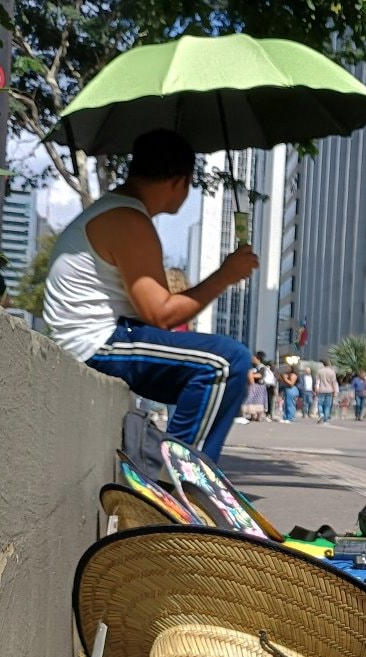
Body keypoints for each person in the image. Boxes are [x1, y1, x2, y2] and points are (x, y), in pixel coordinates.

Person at [43, 129, 258, 461]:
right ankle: (184, 480)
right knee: (226, 363)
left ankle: (179, 471)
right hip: (98, 343)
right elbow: (160, 314)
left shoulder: (119, 213)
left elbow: (152, 312)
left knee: (212, 369)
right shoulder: (128, 221)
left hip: (101, 338)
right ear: (180, 181)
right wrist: (225, 276)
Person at [241, 355, 267, 421]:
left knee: (259, 401)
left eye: (254, 358)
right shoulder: (254, 367)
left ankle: (259, 416)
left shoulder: (261, 367)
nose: (252, 359)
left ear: (258, 359)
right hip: (253, 385)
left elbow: (260, 375)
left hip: (259, 386)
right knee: (251, 400)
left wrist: (251, 375)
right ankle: (252, 415)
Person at [314, 358, 338, 423]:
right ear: (329, 364)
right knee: (327, 405)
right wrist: (335, 391)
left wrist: (316, 388)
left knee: (320, 403)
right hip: (329, 390)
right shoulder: (332, 372)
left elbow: (317, 381)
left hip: (321, 389)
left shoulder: (319, 371)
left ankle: (321, 414)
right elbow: (334, 382)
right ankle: (326, 419)